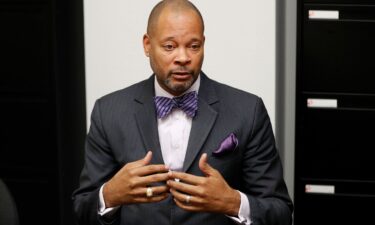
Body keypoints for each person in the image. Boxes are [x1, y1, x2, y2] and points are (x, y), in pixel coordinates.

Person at [72, 0, 293, 224]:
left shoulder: (248, 110)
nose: (183, 57)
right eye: (169, 46)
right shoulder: (109, 112)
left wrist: (232, 202)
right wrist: (109, 195)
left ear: (204, 44)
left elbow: (281, 213)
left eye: (194, 46)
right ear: (147, 45)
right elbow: (82, 208)